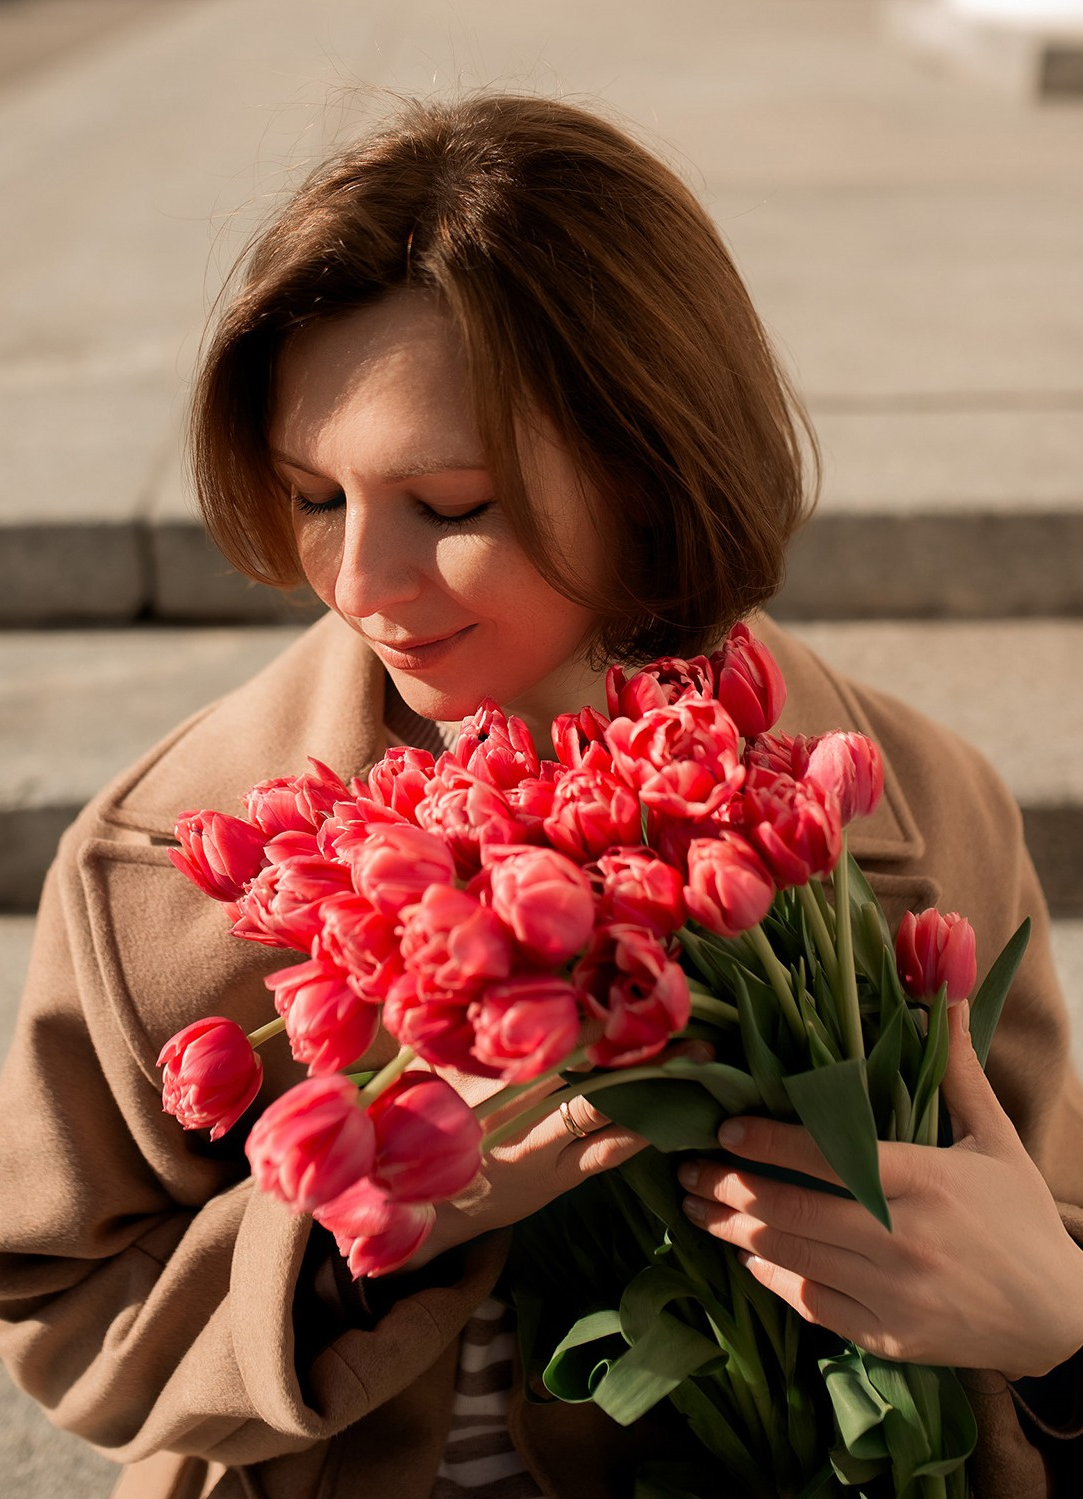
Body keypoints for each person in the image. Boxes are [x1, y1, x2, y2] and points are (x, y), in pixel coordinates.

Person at [1, 93, 1082, 1499]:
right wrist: (363, 1222)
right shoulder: (166, 867)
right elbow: (61, 1309)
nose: (359, 586)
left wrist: (1056, 1333)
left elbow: (1043, 1242)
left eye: (452, 506)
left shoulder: (912, 819)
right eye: (314, 497)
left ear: (652, 463)